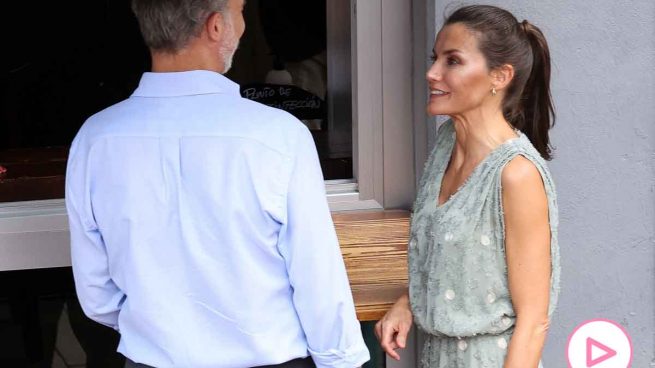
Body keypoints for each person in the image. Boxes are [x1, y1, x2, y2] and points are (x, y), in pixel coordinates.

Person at [65, 0, 370, 367]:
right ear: (214, 26)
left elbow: (98, 296)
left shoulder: (95, 139)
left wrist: (162, 331)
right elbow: (316, 277)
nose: (243, 24)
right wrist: (342, 360)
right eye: (240, 10)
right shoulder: (278, 135)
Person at [375, 5, 560, 368]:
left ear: (500, 76)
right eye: (435, 58)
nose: (431, 73)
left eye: (453, 61)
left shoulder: (516, 174)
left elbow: (534, 321)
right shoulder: (446, 143)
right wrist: (408, 302)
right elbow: (448, 257)